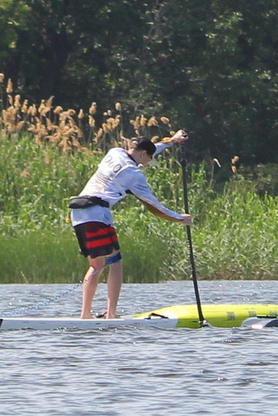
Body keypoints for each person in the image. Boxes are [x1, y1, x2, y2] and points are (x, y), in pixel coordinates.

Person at [68, 131, 192, 318]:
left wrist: (170, 142)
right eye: (148, 160)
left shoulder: (115, 152)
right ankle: (111, 314)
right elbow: (154, 206)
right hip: (97, 214)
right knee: (114, 263)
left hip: (79, 212)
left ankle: (85, 314)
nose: (147, 164)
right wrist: (180, 218)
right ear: (142, 154)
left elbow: (149, 149)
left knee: (97, 265)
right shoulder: (134, 175)